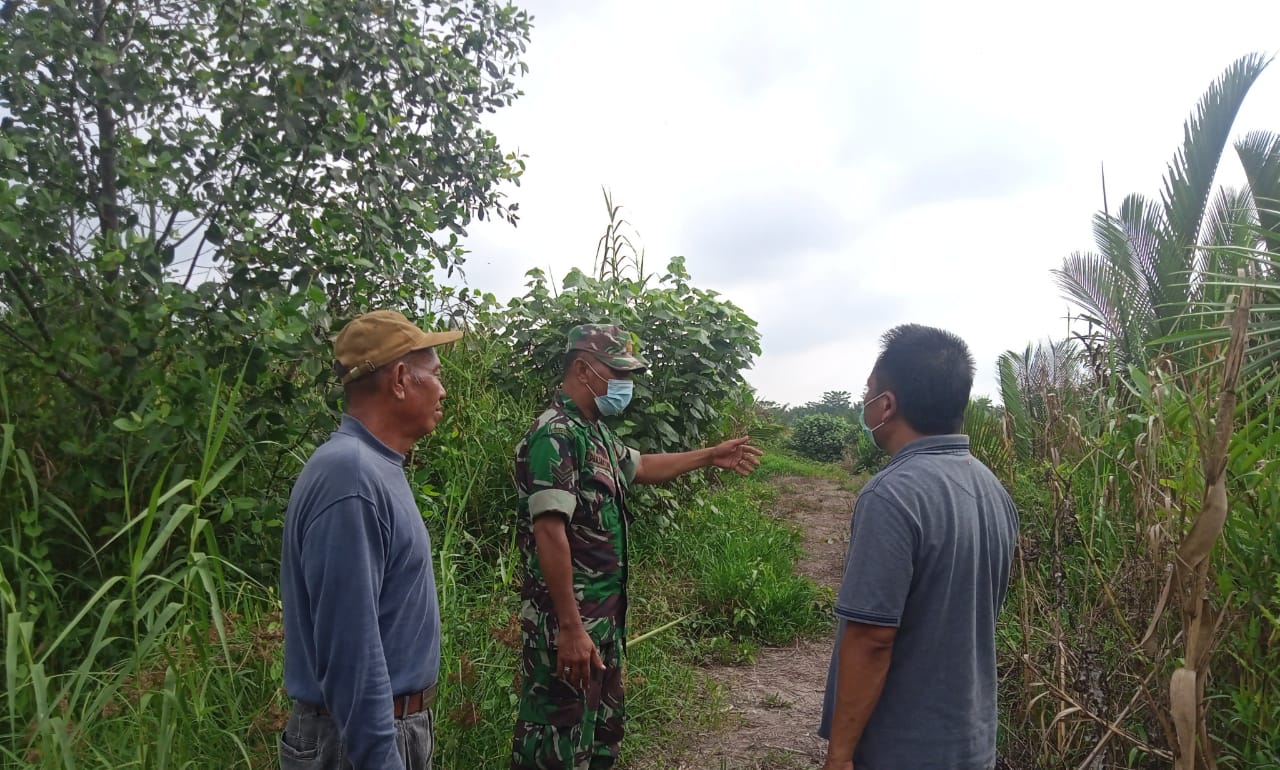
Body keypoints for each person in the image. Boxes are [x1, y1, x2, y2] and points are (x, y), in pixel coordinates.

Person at [510, 323, 764, 770]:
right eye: (618, 373)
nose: (625, 385)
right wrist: (570, 627)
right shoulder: (555, 436)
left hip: (602, 629)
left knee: (598, 744)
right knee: (553, 750)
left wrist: (709, 455)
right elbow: (549, 532)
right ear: (584, 369)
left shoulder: (596, 434)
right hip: (567, 632)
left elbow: (642, 466)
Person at [819, 324, 1019, 770]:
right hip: (971, 743)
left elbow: (872, 637)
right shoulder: (991, 488)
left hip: (903, 748)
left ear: (886, 405)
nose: (865, 400)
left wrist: (840, 754)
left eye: (868, 390)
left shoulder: (891, 495)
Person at [279, 310, 461, 770]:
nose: (442, 389)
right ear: (400, 379)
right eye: (435, 375)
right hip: (355, 743)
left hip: (380, 733)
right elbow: (351, 653)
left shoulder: (375, 466)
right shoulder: (351, 475)